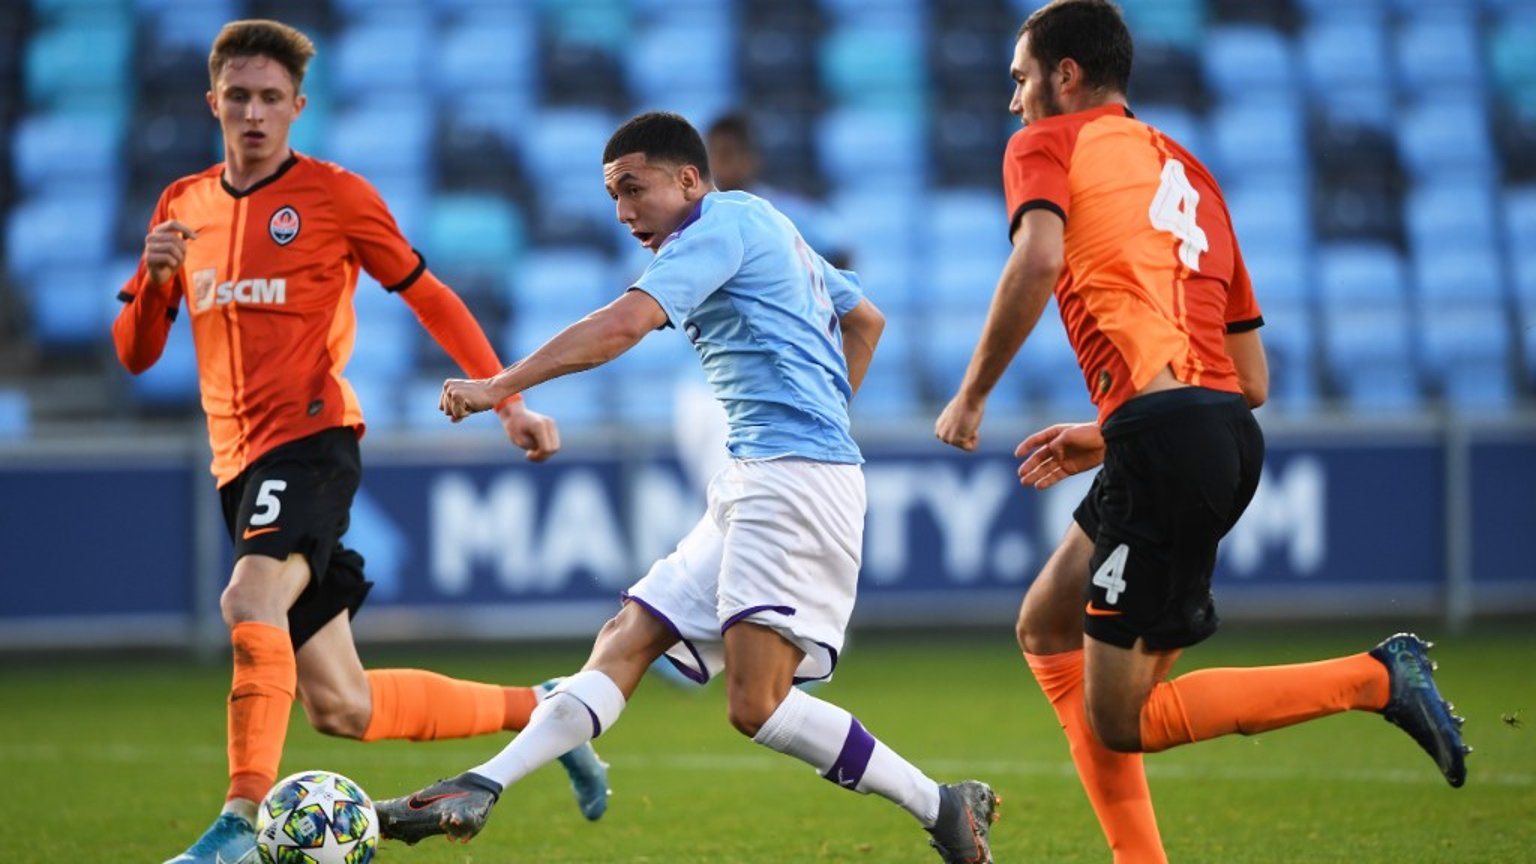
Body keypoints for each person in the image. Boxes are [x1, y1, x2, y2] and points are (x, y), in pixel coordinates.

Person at [375, 111, 1000, 863]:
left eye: (634, 189)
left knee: (756, 704)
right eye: (612, 196)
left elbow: (621, 326)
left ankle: (943, 807)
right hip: (761, 474)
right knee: (628, 637)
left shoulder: (716, 227)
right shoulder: (760, 221)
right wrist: (825, 417)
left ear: (689, 179)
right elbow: (864, 317)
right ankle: (477, 786)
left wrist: (499, 387)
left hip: (791, 482)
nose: (623, 212)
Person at [933, 2, 1470, 862]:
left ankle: (1375, 679)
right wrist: (1107, 433)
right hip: (1198, 436)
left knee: (1122, 718)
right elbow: (1250, 380)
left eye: (1021, 79)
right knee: (1045, 624)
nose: (1013, 102)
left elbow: (1037, 258)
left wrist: (971, 395)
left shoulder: (1049, 142)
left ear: (1066, 75)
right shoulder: (1191, 176)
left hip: (1165, 446)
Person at [111, 20, 609, 864]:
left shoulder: (336, 196)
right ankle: (548, 708)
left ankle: (237, 822)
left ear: (299, 106)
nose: (255, 113)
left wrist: (507, 400)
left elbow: (429, 294)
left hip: (311, 438)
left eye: (272, 98)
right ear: (213, 103)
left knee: (247, 598)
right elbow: (137, 353)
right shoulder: (181, 206)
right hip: (237, 464)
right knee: (342, 705)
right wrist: (154, 283)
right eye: (240, 97)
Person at [706, 112, 851, 269]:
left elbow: (839, 252)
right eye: (710, 154)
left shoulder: (783, 211)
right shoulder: (692, 215)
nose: (716, 164)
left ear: (753, 158)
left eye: (726, 155)